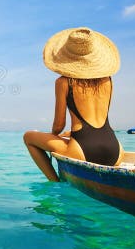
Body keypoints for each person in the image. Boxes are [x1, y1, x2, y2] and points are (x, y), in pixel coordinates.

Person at [23, 27, 123, 181]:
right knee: (70, 136)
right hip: (114, 149)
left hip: (82, 150)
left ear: (67, 59)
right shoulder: (108, 80)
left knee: (28, 137)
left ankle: (55, 181)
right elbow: (94, 123)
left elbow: (58, 125)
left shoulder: (63, 82)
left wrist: (53, 138)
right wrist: (69, 134)